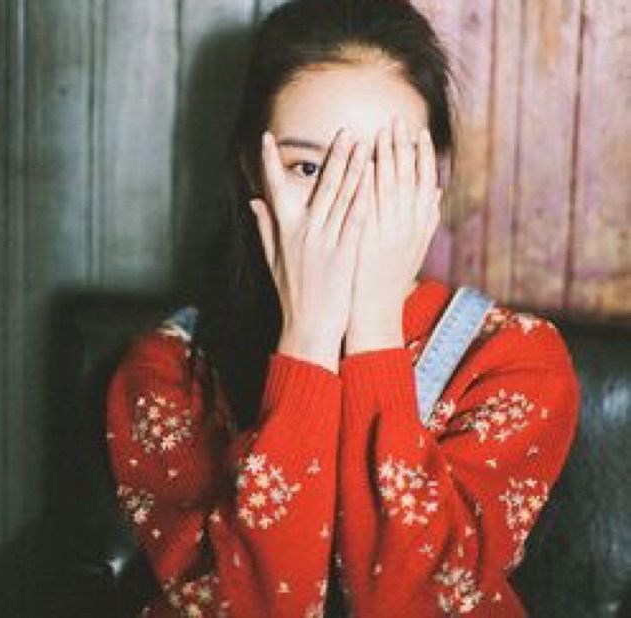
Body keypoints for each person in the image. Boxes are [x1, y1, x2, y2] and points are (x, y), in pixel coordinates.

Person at [105, 0, 581, 616]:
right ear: (253, 170)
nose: (348, 206)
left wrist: (373, 329)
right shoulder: (169, 372)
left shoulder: (515, 360)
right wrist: (307, 340)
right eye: (308, 167)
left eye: (384, 168)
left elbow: (418, 602)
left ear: (431, 180)